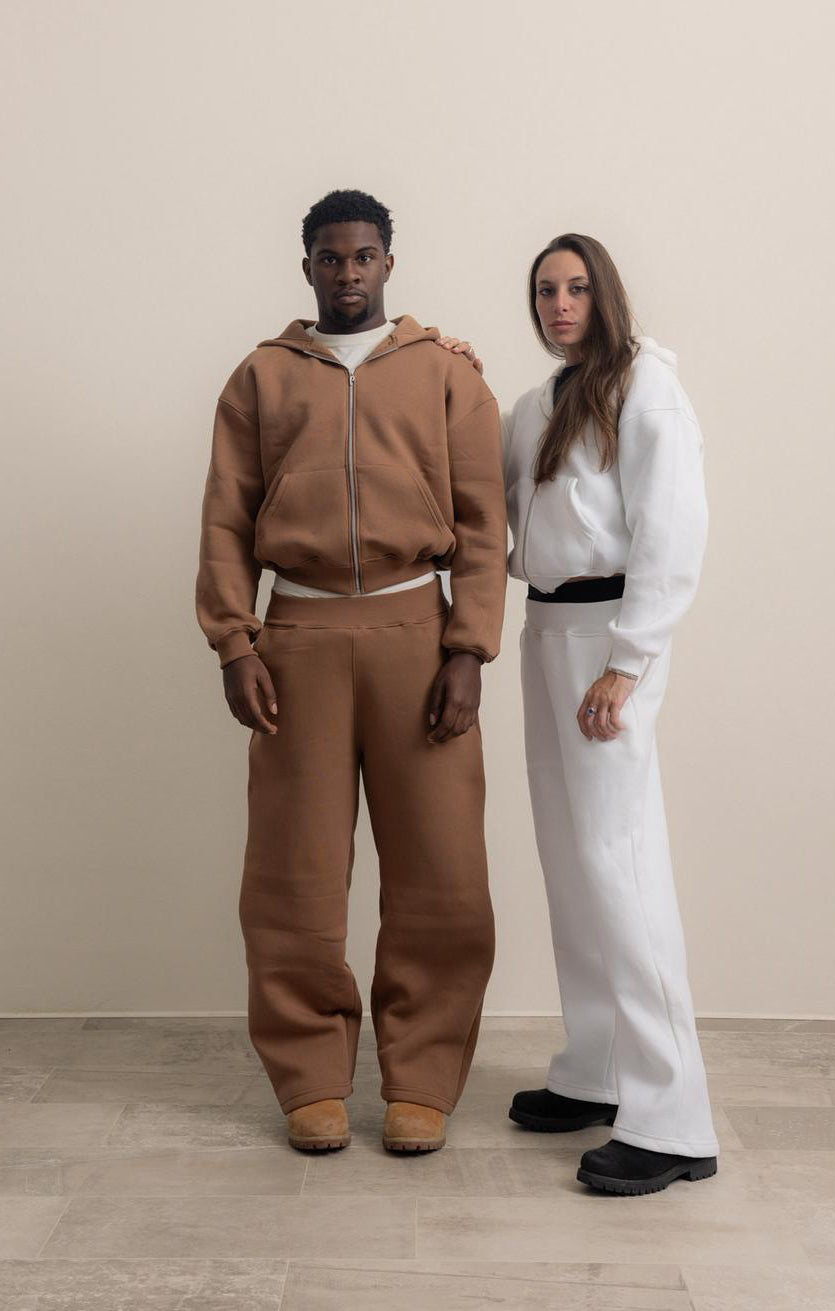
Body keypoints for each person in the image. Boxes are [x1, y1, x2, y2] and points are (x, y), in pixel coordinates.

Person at [195, 189, 507, 1155]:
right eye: (329, 258)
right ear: (307, 268)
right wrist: (236, 643)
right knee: (292, 874)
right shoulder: (259, 376)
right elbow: (224, 517)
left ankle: (421, 1080)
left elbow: (483, 520)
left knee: (441, 872)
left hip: (419, 634)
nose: (346, 273)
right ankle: (309, 1079)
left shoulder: (446, 374)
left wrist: (468, 647)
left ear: (388, 264)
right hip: (298, 639)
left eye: (363, 256)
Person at [436, 232, 719, 1195]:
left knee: (620, 859)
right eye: (545, 291)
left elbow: (673, 530)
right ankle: (596, 1068)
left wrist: (628, 662)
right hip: (547, 631)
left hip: (609, 639)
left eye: (576, 288)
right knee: (570, 859)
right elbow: (496, 515)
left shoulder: (645, 387)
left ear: (606, 295)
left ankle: (673, 1117)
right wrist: (460, 384)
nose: (559, 305)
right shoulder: (535, 405)